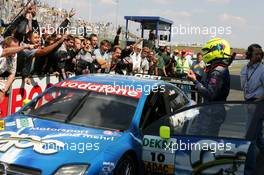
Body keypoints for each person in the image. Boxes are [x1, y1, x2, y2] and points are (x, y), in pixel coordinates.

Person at [240, 44, 264, 175]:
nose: (259, 56)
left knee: (249, 138)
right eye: (256, 54)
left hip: (259, 104)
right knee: (258, 135)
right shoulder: (244, 69)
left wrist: (256, 102)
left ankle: (249, 171)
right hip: (249, 104)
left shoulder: (262, 69)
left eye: (260, 54)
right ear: (249, 55)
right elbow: (245, 88)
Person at [187, 38, 231, 102]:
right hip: (217, 106)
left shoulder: (217, 72)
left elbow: (209, 94)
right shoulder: (220, 67)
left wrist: (195, 81)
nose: (207, 53)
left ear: (216, 50)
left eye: (208, 51)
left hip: (213, 109)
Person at [0, 37, 34, 103]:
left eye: (17, 48)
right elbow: (5, 51)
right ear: (5, 46)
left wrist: (4, 89)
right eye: (14, 48)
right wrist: (25, 47)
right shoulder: (1, 50)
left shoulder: (14, 55)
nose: (16, 51)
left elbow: (12, 73)